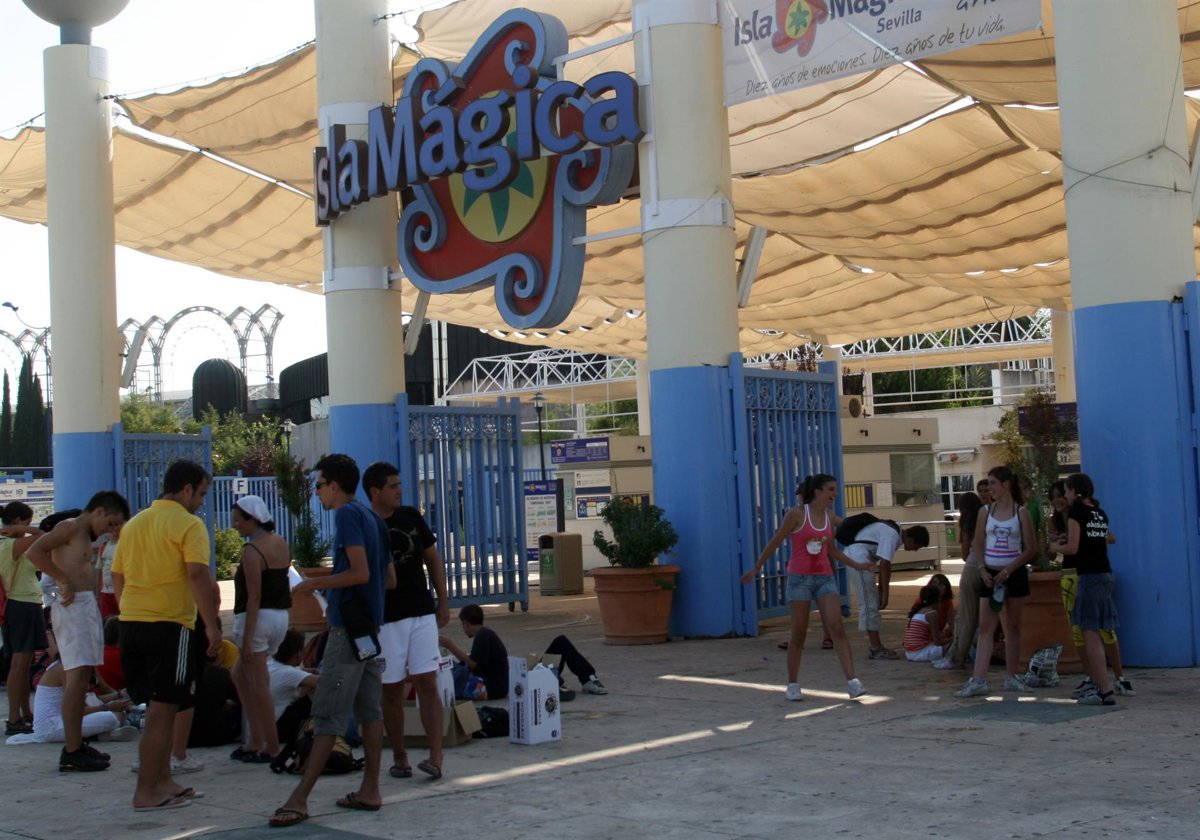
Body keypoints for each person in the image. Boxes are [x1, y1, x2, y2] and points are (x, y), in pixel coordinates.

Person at [270, 453, 392, 828]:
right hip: (368, 630)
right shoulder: (373, 518)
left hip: (347, 632)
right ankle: (370, 788)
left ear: (334, 486)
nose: (318, 492)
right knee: (370, 712)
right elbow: (387, 579)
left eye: (320, 486)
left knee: (326, 714)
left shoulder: (348, 516)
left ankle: (299, 798)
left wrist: (317, 583)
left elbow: (359, 572)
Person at [113, 459, 221, 812]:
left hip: (132, 623)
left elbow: (117, 575)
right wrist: (211, 625)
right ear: (186, 489)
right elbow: (197, 575)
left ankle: (162, 782)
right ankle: (146, 791)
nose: (201, 502)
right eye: (201, 494)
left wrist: (129, 607)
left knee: (161, 709)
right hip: (170, 625)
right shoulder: (189, 524)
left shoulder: (134, 524)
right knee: (163, 712)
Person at [741, 474, 876, 701]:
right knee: (799, 633)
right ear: (818, 491)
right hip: (799, 579)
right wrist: (757, 567)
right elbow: (776, 540)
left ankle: (853, 682)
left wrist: (858, 564)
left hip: (825, 578)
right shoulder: (796, 514)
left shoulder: (829, 516)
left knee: (837, 628)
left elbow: (831, 548)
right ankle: (793, 684)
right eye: (831, 489)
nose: (835, 494)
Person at [25, 491, 131, 772]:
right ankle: (72, 750)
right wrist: (62, 579)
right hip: (72, 608)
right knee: (75, 679)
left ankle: (77, 744)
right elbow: (34, 552)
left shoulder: (88, 536)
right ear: (99, 511)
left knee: (83, 678)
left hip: (85, 607)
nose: (110, 529)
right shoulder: (69, 527)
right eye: (110, 523)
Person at [362, 461, 449, 782]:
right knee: (391, 689)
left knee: (427, 682)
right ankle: (400, 757)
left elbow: (432, 558)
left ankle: (436, 756)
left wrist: (442, 600)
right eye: (393, 486)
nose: (400, 490)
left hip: (421, 611)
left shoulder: (411, 516)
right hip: (386, 619)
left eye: (399, 484)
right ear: (375, 492)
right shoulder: (366, 523)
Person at [956, 466, 1039, 697]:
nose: (989, 488)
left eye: (993, 483)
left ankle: (1012, 676)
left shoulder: (1021, 513)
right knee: (986, 627)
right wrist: (982, 569)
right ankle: (978, 679)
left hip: (1013, 573)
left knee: (1013, 626)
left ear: (1006, 484)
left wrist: (1010, 570)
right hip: (990, 574)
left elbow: (1031, 548)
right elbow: (979, 543)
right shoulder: (985, 511)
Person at [1047, 481, 1134, 699]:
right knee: (1088, 631)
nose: (1060, 499)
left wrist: (1060, 545)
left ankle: (1104, 687)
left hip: (1087, 576)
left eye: (1063, 493)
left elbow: (1074, 547)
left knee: (1092, 631)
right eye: (1054, 496)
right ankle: (1096, 680)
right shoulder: (1097, 513)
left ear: (1073, 492)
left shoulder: (1078, 514)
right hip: (1097, 574)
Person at [227, 494, 293, 764]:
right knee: (240, 676)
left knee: (259, 683)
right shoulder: (280, 542)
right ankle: (255, 737)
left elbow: (254, 597)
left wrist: (247, 639)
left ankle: (270, 745)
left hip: (258, 619)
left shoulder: (252, 551)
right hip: (280, 617)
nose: (235, 526)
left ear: (252, 519)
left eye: (238, 520)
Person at [839, 518, 929, 659]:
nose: (915, 550)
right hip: (859, 559)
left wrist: (881, 591)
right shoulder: (892, 535)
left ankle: (876, 645)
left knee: (871, 602)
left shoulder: (893, 530)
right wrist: (885, 594)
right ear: (911, 540)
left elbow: (884, 565)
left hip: (859, 558)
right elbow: (885, 565)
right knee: (869, 604)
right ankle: (875, 648)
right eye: (917, 546)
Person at [0, 501, 47, 736]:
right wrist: (22, 530)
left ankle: (25, 713)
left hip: (21, 604)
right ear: (17, 521)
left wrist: (16, 529)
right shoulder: (9, 544)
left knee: (23, 663)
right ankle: (14, 718)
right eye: (27, 521)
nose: (30, 525)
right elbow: (43, 536)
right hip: (21, 604)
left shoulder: (11, 544)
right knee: (19, 664)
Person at [934, 492, 983, 670]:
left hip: (973, 566)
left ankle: (957, 656)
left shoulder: (967, 523)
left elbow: (964, 554)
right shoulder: (987, 518)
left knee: (965, 617)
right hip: (990, 566)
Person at [439, 603, 509, 700]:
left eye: (463, 624)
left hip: (492, 687)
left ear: (466, 623)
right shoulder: (485, 633)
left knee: (457, 677)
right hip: (495, 685)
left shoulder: (483, 635)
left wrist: (450, 646)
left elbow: (473, 665)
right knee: (452, 666)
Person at [268, 630, 320, 745]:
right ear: (298, 654)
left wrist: (309, 671)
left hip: (265, 726)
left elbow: (297, 671)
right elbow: (325, 682)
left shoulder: (270, 665)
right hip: (279, 729)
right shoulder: (289, 673)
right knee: (315, 688)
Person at [902, 583, 947, 662]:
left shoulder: (917, 612)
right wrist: (953, 638)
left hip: (909, 653)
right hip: (921, 653)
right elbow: (937, 642)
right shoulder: (932, 613)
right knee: (955, 646)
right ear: (937, 599)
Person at [95, 524, 122, 620]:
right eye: (111, 525)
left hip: (121, 592)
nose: (115, 527)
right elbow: (99, 571)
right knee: (107, 622)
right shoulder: (103, 547)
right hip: (105, 593)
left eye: (118, 524)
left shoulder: (125, 545)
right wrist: (98, 595)